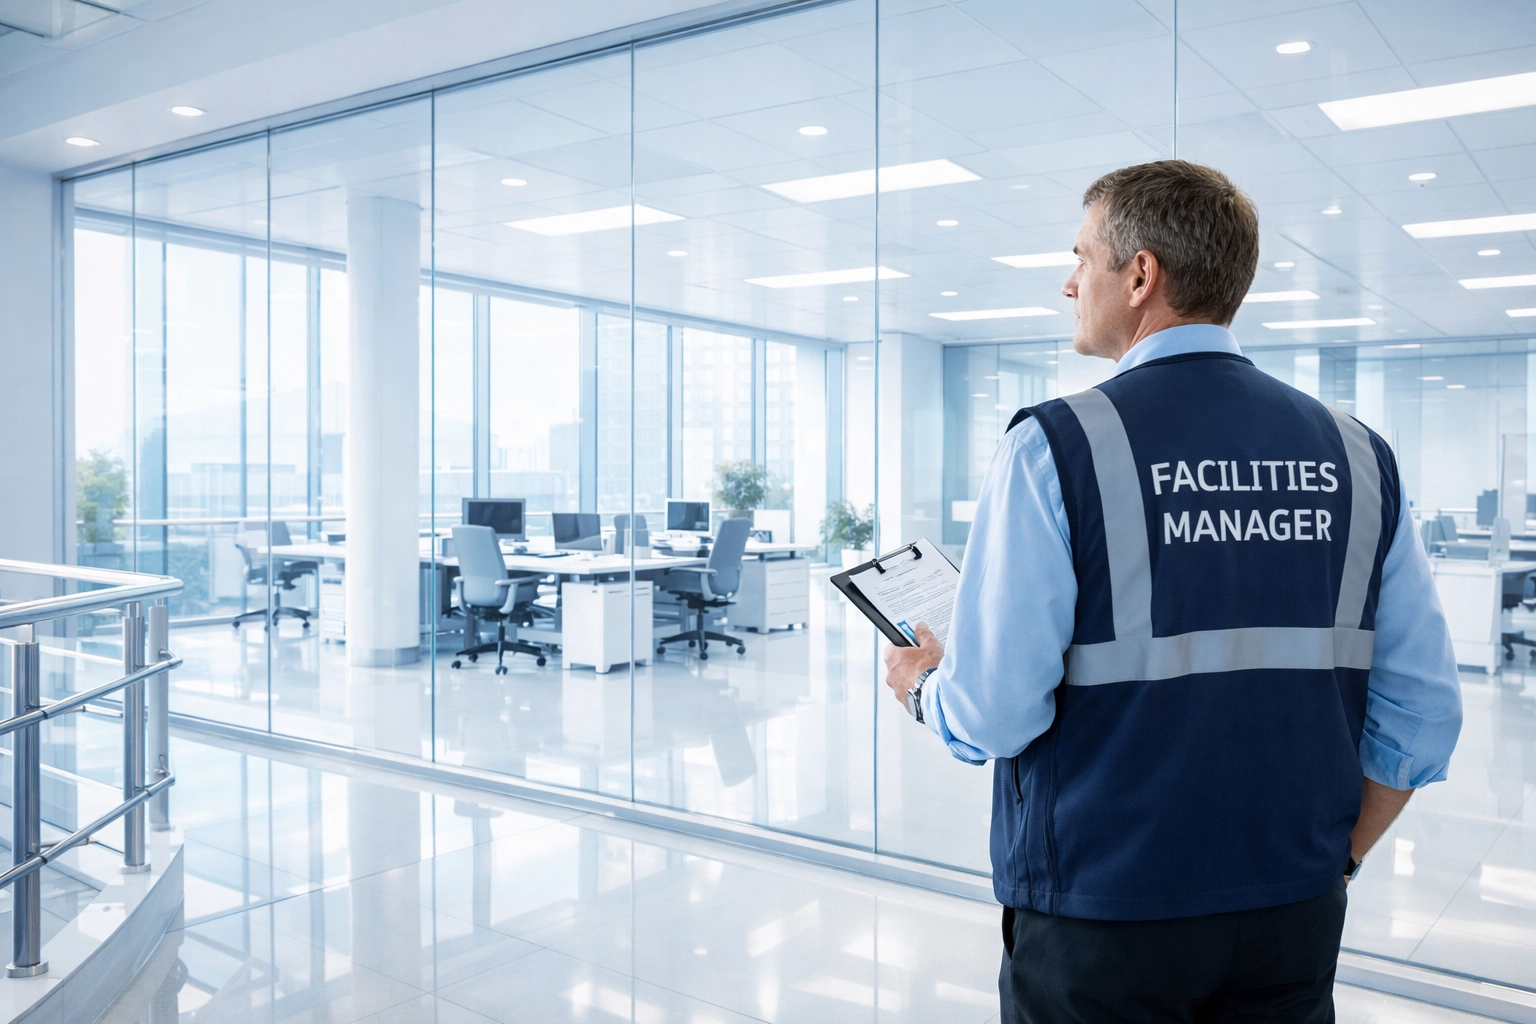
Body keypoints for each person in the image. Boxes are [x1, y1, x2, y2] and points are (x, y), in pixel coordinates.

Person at [882, 160, 1462, 1023]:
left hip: (1103, 916)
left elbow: (999, 715)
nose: (1069, 280)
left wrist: (926, 687)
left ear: (1141, 274)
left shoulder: (1054, 446)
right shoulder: (1358, 454)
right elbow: (1422, 715)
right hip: (1290, 912)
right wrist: (1332, 863)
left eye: (1082, 257)